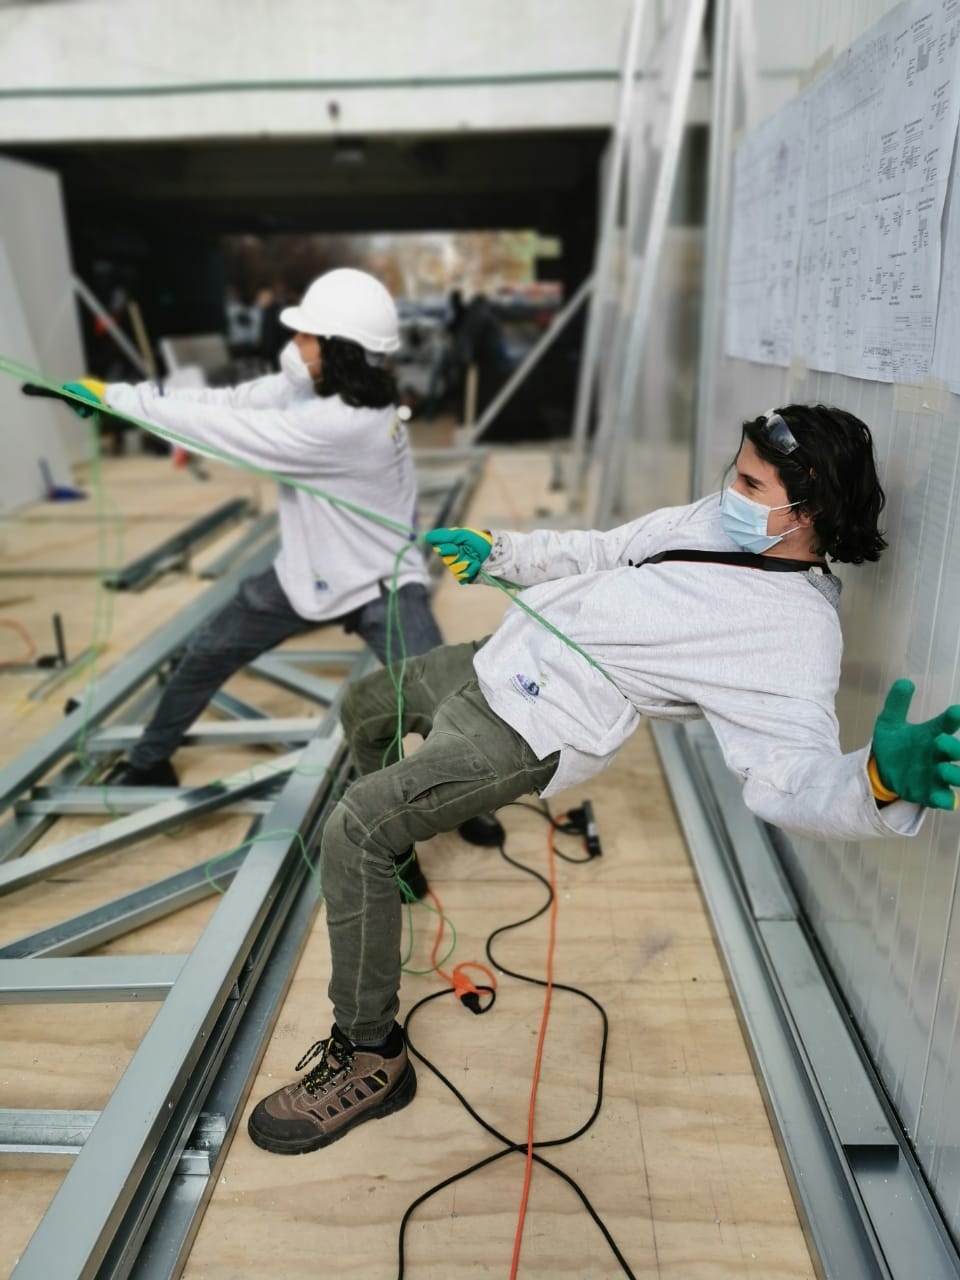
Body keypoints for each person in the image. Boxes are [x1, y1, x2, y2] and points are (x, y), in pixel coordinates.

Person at [242, 403, 960, 1156]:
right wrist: (499, 551)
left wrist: (872, 782)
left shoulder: (794, 632)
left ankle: (369, 1055)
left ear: (808, 510)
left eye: (751, 484)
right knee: (365, 707)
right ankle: (390, 864)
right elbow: (604, 549)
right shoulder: (719, 522)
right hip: (502, 659)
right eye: (736, 473)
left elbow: (790, 773)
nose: (730, 494)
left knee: (355, 825)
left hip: (529, 728)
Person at [48, 269, 448, 894]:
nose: (296, 345)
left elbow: (221, 431)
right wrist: (117, 394)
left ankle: (443, 818)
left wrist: (117, 403)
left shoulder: (342, 425)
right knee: (208, 651)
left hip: (381, 580)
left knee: (442, 703)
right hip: (308, 572)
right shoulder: (316, 392)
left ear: (340, 349)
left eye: (309, 336)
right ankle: (149, 762)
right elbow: (227, 404)